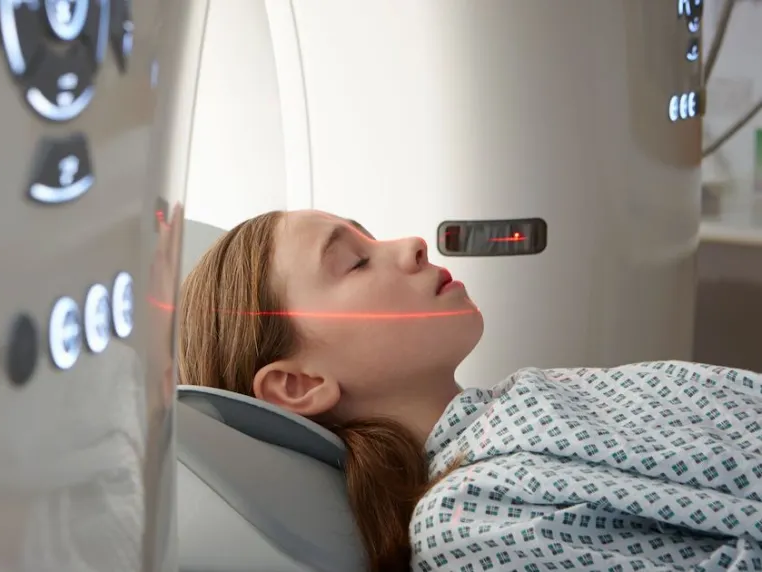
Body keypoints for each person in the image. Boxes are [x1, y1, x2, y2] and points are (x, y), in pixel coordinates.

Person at [175, 209, 762, 572]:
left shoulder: (532, 394)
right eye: (355, 262)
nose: (412, 244)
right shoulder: (465, 526)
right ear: (300, 384)